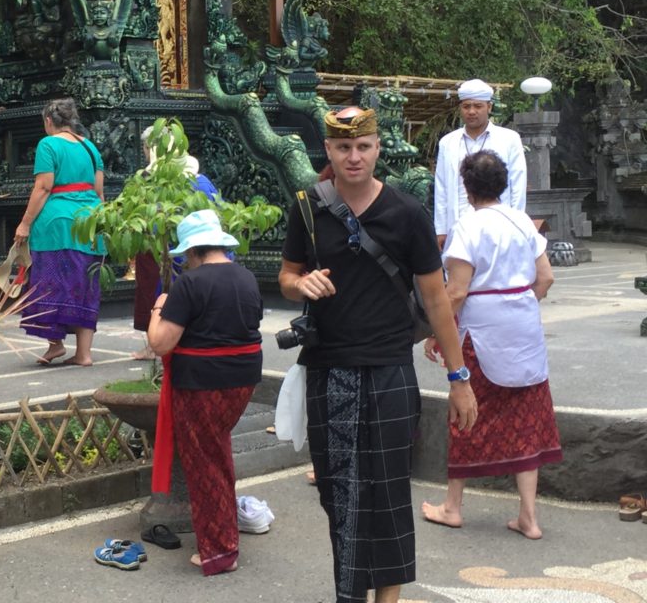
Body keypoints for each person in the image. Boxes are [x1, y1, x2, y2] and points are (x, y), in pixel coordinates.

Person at [279, 106, 478, 603]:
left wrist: (459, 377)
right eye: (343, 147)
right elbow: (286, 277)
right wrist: (299, 282)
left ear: (377, 149)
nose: (353, 157)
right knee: (338, 495)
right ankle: (350, 594)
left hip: (390, 371)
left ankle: (386, 599)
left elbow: (436, 299)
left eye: (363, 147)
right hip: (328, 370)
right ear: (327, 150)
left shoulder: (407, 213)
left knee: (387, 493)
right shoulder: (307, 208)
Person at [421, 150, 561, 540]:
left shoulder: (468, 225)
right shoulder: (522, 221)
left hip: (481, 331)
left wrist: (438, 332)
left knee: (465, 411)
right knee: (527, 417)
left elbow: (457, 291)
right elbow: (545, 278)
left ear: (466, 188)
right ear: (505, 184)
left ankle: (452, 507)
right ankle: (529, 516)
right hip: (524, 326)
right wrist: (518, 302)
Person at [147, 209, 262, 576]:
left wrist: (157, 309)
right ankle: (225, 532)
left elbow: (161, 343)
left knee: (204, 464)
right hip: (242, 380)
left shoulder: (189, 284)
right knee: (217, 451)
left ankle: (219, 549)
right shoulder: (247, 277)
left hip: (201, 382)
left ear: (192, 252)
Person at [14, 98, 104, 367]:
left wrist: (25, 223)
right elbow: (99, 192)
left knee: (50, 283)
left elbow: (43, 187)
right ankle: (84, 354)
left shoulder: (48, 144)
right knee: (86, 285)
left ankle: (56, 344)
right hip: (91, 223)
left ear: (49, 121)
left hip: (57, 225)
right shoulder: (91, 148)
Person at [132, 124, 220, 360]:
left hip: (179, 258)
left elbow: (152, 228)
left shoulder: (159, 187)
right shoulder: (203, 182)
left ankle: (162, 346)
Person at [434, 78, 526, 248]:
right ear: (460, 108)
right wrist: (441, 229)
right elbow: (441, 187)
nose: (471, 111)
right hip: (458, 223)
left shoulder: (509, 139)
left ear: (489, 107)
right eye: (466, 106)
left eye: (478, 106)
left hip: (498, 225)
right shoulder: (448, 142)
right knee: (459, 271)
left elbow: (518, 184)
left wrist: (516, 223)